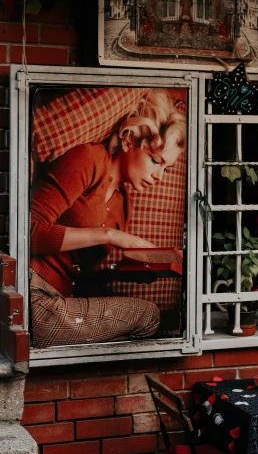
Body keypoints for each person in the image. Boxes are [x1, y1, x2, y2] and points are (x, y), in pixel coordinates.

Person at [29, 89, 186, 348]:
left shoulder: (123, 205)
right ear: (129, 142)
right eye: (155, 160)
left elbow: (77, 277)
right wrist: (111, 236)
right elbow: (27, 233)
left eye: (166, 168)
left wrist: (122, 275)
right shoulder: (90, 159)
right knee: (147, 316)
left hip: (62, 301)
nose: (160, 175)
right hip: (31, 294)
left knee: (150, 320)